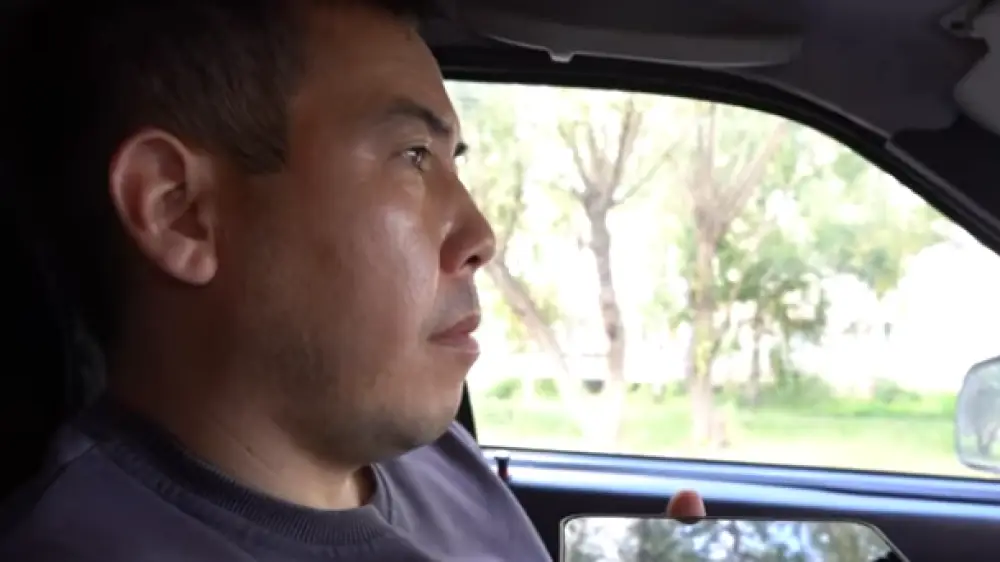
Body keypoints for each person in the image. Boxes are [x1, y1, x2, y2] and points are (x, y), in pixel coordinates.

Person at [0, 0, 703, 560]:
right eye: (413, 156)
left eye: (453, 161)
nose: (480, 237)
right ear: (180, 211)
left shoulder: (434, 458)